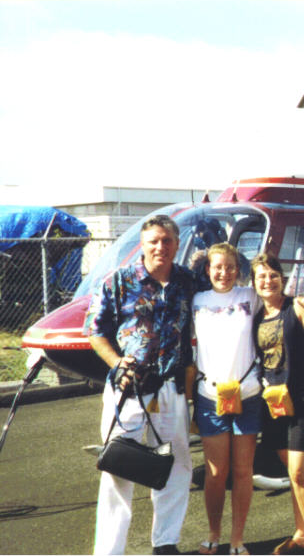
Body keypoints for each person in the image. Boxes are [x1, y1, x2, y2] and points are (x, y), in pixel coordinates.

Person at [85, 214, 196, 555]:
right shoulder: (117, 282)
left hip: (170, 388)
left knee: (176, 463)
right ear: (143, 245)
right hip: (129, 390)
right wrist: (118, 362)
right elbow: (95, 331)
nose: (160, 246)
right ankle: (110, 550)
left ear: (177, 244)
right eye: (154, 241)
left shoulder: (189, 281)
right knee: (119, 466)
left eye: (167, 241)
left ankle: (165, 543)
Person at [250, 253, 304, 556]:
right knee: (291, 469)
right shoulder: (258, 317)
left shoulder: (298, 307)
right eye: (261, 277)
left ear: (282, 278)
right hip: (275, 401)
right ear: (254, 283)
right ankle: (299, 532)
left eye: (273, 275)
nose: (268, 281)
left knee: (298, 472)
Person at [191, 243, 261, 556]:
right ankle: (214, 533)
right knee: (216, 473)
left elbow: (281, 303)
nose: (224, 273)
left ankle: (237, 539)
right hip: (210, 396)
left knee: (243, 471)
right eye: (217, 267)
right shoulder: (196, 300)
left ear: (238, 269)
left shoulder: (251, 297)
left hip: (248, 395)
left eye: (230, 267)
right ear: (208, 269)